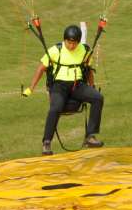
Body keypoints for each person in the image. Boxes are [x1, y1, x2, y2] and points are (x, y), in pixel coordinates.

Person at [22, 25, 104, 155]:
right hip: (59, 86)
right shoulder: (55, 50)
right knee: (56, 108)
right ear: (64, 40)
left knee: (98, 98)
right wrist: (31, 88)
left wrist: (92, 87)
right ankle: (47, 142)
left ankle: (90, 136)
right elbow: (41, 69)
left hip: (77, 85)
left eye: (74, 43)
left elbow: (88, 71)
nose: (71, 46)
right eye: (69, 42)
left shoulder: (84, 50)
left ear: (78, 42)